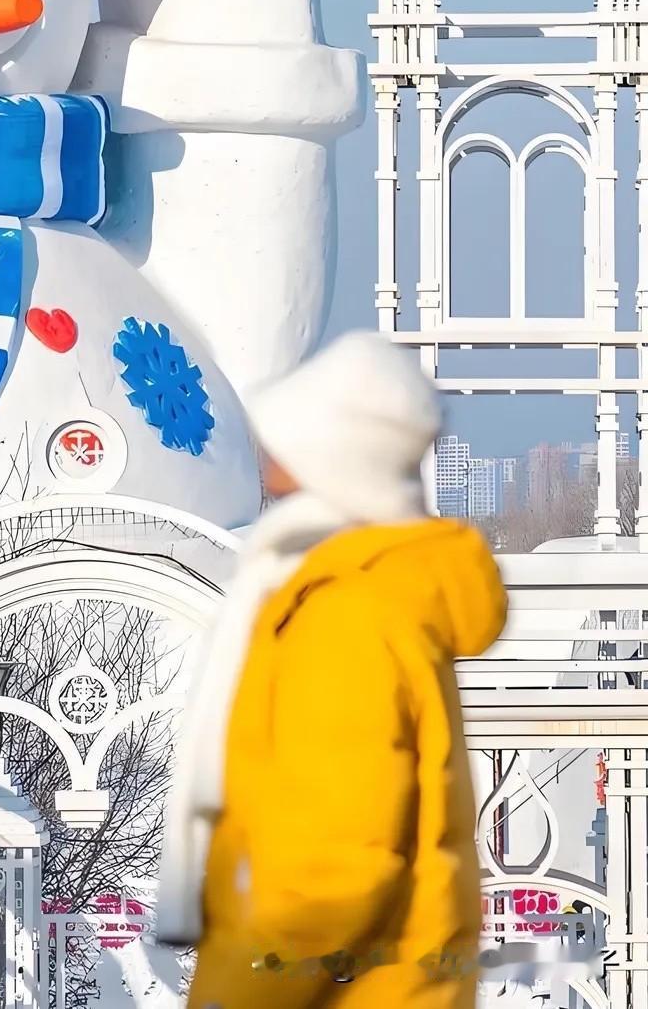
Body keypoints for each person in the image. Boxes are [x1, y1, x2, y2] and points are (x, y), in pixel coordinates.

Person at [157, 331, 507, 1007]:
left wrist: (236, 995)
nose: (263, 452)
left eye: (284, 438)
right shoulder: (365, 589)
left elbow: (340, 862)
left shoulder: (347, 613)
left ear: (333, 459)